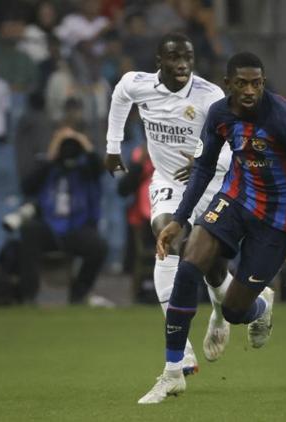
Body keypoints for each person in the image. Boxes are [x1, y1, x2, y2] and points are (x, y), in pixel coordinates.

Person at [153, 51, 286, 400]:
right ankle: (173, 370)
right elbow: (205, 167)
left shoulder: (283, 120)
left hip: (277, 221)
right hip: (236, 200)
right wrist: (179, 218)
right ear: (228, 85)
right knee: (188, 265)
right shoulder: (220, 114)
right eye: (242, 84)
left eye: (256, 83)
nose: (250, 90)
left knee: (234, 311)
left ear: (263, 83)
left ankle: (260, 309)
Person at [104, 33, 232, 404]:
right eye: (174, 57)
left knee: (214, 271)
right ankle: (182, 354)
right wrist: (113, 147)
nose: (182, 63)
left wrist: (208, 160)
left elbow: (234, 144)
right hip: (167, 182)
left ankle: (225, 312)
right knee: (168, 241)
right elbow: (119, 96)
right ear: (160, 59)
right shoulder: (138, 84)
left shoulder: (210, 96)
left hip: (212, 185)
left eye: (187, 56)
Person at [19, 128, 107, 304]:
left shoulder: (86, 170)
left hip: (78, 228)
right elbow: (27, 186)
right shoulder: (48, 168)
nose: (68, 150)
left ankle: (78, 293)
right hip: (49, 228)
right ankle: (28, 295)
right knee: (28, 231)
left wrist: (82, 141)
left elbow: (100, 167)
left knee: (99, 247)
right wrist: (52, 154)